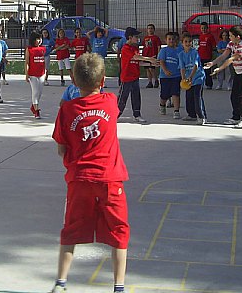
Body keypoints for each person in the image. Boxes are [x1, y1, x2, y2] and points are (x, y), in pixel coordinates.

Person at [51, 53, 129, 293]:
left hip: (79, 178)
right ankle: (118, 286)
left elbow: (61, 147)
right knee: (119, 230)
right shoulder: (110, 101)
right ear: (103, 79)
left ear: (74, 81)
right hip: (109, 177)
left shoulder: (66, 110)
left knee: (71, 228)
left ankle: (61, 282)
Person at [205, 26, 242, 129]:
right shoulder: (231, 44)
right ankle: (236, 117)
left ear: (237, 36)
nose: (229, 37)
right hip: (238, 72)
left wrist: (219, 69)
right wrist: (213, 63)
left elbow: (230, 59)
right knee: (234, 95)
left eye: (231, 36)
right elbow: (224, 56)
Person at [117, 27, 158, 122]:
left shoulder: (135, 48)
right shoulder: (125, 48)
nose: (138, 38)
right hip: (126, 77)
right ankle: (116, 115)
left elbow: (138, 62)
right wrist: (149, 58)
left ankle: (137, 114)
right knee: (123, 98)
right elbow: (135, 57)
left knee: (136, 97)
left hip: (135, 77)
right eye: (136, 36)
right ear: (130, 37)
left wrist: (151, 63)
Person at [178, 32, 207, 125]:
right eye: (185, 41)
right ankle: (191, 115)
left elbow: (195, 65)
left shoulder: (195, 52)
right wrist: (183, 79)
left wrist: (190, 77)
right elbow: (182, 68)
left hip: (198, 77)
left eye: (189, 41)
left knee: (197, 97)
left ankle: (202, 116)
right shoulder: (181, 54)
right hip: (188, 80)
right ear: (182, 43)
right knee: (189, 97)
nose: (187, 43)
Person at [157, 32, 182, 119]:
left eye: (173, 39)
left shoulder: (179, 50)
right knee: (165, 94)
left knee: (176, 93)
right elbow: (162, 62)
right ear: (166, 40)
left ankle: (176, 111)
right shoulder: (164, 50)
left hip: (176, 76)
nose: (171, 41)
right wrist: (166, 71)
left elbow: (182, 63)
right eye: (169, 39)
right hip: (165, 76)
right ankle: (162, 105)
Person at [25, 31, 46, 119]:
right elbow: (27, 62)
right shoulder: (29, 49)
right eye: (37, 39)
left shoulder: (43, 49)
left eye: (40, 38)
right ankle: (37, 111)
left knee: (40, 92)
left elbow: (44, 60)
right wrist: (26, 74)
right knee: (35, 92)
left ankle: (33, 106)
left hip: (42, 73)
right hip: (32, 74)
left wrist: (45, 71)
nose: (39, 40)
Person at [198, 22, 216, 90]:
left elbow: (213, 45)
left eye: (205, 28)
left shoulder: (210, 36)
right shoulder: (200, 36)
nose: (203, 29)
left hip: (207, 56)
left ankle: (209, 84)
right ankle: (201, 83)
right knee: (200, 71)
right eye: (202, 28)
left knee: (207, 71)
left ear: (207, 28)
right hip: (200, 56)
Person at [142, 24, 161, 89]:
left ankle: (156, 80)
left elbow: (158, 46)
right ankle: (150, 82)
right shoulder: (145, 38)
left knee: (151, 69)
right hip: (146, 55)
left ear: (154, 29)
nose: (150, 30)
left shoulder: (156, 38)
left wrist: (158, 54)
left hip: (153, 55)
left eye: (151, 28)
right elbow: (144, 46)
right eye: (149, 28)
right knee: (147, 69)